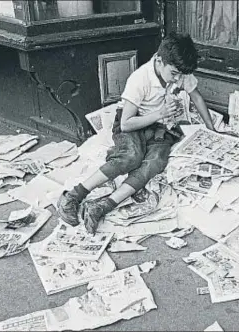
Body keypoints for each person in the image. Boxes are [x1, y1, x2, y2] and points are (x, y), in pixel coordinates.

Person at [57, 32, 215, 234]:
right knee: (131, 157)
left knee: (155, 162)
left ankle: (103, 206)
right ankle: (73, 195)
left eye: (181, 75)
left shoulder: (180, 73)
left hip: (160, 126)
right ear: (159, 61)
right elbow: (126, 124)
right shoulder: (140, 79)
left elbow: (197, 98)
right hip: (134, 121)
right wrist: (159, 113)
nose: (178, 79)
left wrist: (212, 129)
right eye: (174, 74)